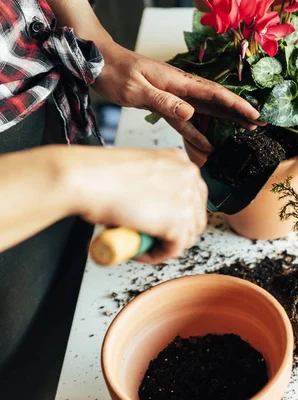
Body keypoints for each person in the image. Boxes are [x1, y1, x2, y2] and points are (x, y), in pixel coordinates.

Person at [0, 0, 261, 398]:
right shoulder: (71, 177)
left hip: (48, 112)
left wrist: (97, 43)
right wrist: (76, 178)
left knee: (66, 321)